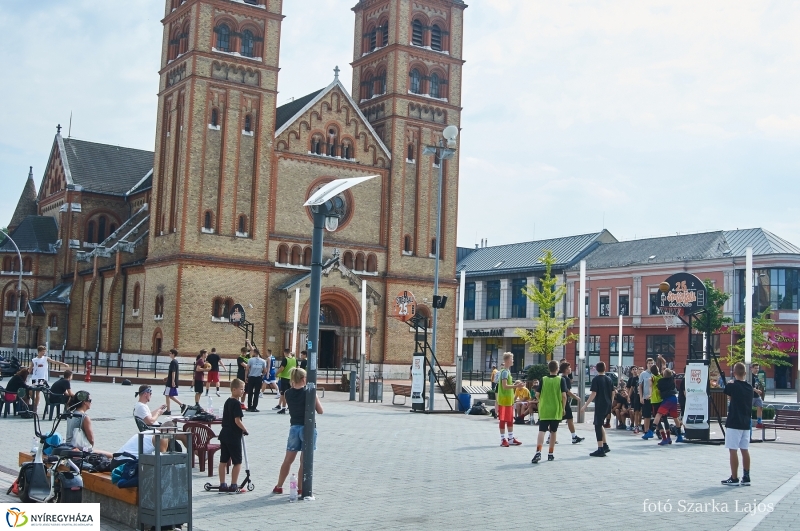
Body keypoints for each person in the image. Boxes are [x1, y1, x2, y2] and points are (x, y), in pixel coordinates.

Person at [273, 367, 323, 495]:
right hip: (308, 428)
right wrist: (315, 396)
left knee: (288, 459)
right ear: (303, 379)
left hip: (294, 427)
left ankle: (279, 485)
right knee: (304, 461)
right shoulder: (309, 392)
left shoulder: (288, 393)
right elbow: (320, 410)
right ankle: (300, 488)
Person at [721, 362, 753, 486]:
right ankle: (746, 476)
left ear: (734, 373)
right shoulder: (749, 387)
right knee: (745, 449)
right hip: (746, 422)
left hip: (734, 421)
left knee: (733, 450)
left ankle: (734, 477)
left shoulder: (732, 385)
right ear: (745, 373)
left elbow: (729, 395)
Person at [531, 360, 567, 464]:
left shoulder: (543, 379)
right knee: (553, 431)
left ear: (548, 369)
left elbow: (537, 394)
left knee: (542, 430)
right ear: (557, 369)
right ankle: (550, 453)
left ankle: (538, 451)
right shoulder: (561, 380)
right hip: (556, 409)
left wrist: (542, 400)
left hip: (544, 409)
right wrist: (563, 408)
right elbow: (564, 396)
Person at [218, 378, 249, 493]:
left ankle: (222, 484)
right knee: (237, 461)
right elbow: (237, 420)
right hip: (233, 435)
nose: (243, 391)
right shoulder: (236, 403)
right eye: (241, 389)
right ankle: (234, 484)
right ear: (234, 389)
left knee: (223, 460)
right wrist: (244, 429)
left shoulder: (228, 401)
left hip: (224, 433)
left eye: (243, 389)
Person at [65, 392, 112, 457]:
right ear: (84, 402)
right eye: (90, 400)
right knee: (112, 456)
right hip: (80, 449)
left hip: (69, 447)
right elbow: (91, 440)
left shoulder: (71, 415)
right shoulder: (84, 417)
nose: (91, 403)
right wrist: (88, 449)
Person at [582, 361, 614, 457]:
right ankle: (605, 445)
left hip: (600, 404)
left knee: (597, 425)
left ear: (596, 369)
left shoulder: (596, 379)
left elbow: (593, 393)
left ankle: (600, 449)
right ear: (605, 368)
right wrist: (611, 403)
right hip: (608, 404)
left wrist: (585, 405)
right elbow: (613, 392)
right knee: (600, 425)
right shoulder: (609, 379)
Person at [496, 352, 525, 447]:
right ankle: (503, 439)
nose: (513, 361)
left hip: (508, 400)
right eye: (512, 359)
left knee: (509, 419)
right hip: (504, 400)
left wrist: (516, 386)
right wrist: (516, 386)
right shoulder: (504, 372)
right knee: (503, 419)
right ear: (508, 360)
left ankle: (511, 438)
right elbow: (504, 386)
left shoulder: (507, 371)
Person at [29, 345, 69, 412]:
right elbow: (30, 369)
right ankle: (36, 403)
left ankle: (36, 406)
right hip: (35, 378)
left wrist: (64, 364)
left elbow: (54, 362)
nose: (44, 353)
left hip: (42, 378)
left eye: (44, 351)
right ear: (39, 351)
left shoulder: (45, 358)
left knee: (39, 392)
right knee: (32, 392)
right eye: (43, 351)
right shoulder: (34, 360)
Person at [652, 368, 683, 445]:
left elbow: (659, 391)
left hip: (666, 399)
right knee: (675, 417)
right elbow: (670, 373)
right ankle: (679, 435)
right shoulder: (672, 379)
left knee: (658, 414)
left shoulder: (660, 381)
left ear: (664, 374)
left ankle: (651, 430)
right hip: (674, 398)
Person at [558, 362, 584, 443]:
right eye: (569, 368)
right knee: (569, 419)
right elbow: (567, 391)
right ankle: (574, 437)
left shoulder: (560, 378)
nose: (570, 369)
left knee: (557, 419)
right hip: (565, 401)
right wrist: (576, 397)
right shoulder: (566, 379)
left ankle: (550, 436)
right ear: (566, 370)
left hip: (559, 401)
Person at [642, 364, 662, 440]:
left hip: (654, 398)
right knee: (659, 417)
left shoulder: (652, 378)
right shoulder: (661, 376)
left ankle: (653, 431)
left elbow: (650, 387)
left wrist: (650, 394)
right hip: (661, 398)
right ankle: (659, 432)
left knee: (656, 416)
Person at [275, 349, 296, 414]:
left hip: (284, 378)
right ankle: (290, 407)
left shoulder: (285, 359)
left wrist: (276, 374)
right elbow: (297, 367)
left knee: (284, 393)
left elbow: (282, 368)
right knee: (290, 393)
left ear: (285, 353)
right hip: (291, 378)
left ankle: (283, 408)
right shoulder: (294, 359)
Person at [164, 348, 185, 414]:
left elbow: (173, 372)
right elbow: (172, 372)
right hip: (171, 380)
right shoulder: (175, 361)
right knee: (170, 395)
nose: (169, 354)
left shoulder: (173, 362)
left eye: (170, 353)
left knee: (167, 395)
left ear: (173, 354)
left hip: (170, 382)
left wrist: (172, 381)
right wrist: (167, 377)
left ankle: (168, 410)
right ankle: (181, 405)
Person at [246, 348, 267, 412]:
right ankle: (254, 407)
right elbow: (265, 370)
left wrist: (246, 377)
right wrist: (262, 375)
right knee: (256, 393)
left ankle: (249, 407)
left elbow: (247, 369)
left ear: (254, 353)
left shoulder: (250, 360)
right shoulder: (263, 361)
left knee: (250, 392)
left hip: (251, 377)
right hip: (258, 377)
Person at [639, 358, 655, 439]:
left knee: (656, 415)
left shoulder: (655, 373)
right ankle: (646, 431)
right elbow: (640, 386)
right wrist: (641, 397)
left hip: (655, 398)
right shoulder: (643, 374)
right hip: (646, 397)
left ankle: (657, 431)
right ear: (647, 364)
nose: (650, 364)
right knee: (646, 415)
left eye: (652, 363)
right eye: (649, 363)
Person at [626, 367, 641, 433]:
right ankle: (635, 425)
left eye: (636, 369)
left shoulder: (645, 377)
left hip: (644, 397)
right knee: (635, 411)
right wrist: (628, 396)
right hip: (635, 397)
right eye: (633, 369)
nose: (635, 370)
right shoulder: (633, 379)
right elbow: (630, 388)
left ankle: (639, 424)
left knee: (641, 411)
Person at [751, 364, 764, 429]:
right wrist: (756, 390)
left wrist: (760, 391)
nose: (757, 370)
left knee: (760, 406)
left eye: (758, 368)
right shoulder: (750, 376)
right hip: (751, 395)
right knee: (748, 409)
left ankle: (759, 422)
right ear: (752, 368)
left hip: (757, 395)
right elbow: (749, 386)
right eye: (755, 368)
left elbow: (758, 385)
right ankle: (748, 420)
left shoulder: (757, 376)